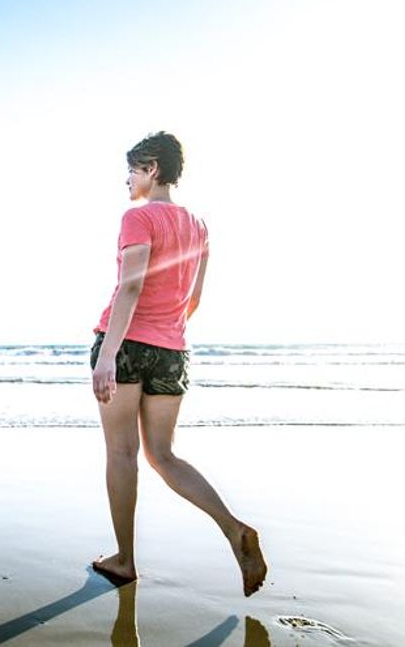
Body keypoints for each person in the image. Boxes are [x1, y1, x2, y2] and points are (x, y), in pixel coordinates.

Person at [90, 132, 267, 596]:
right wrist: (165, 331)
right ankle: (232, 528)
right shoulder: (199, 226)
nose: (127, 180)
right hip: (172, 349)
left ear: (151, 168)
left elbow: (131, 287)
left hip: (127, 344)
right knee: (163, 455)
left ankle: (125, 561)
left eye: (131, 169)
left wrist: (109, 354)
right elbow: (194, 300)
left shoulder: (138, 218)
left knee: (122, 454)